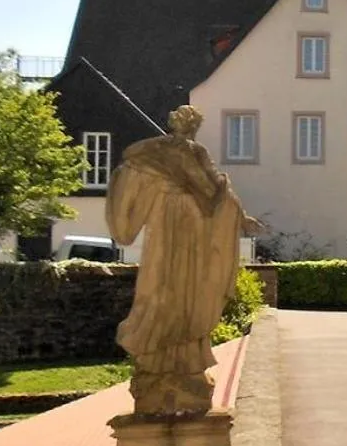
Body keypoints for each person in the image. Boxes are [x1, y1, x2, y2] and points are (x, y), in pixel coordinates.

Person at [106, 105, 258, 414]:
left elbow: (217, 189)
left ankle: (165, 365)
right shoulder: (191, 153)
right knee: (179, 292)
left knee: (166, 289)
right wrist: (241, 217)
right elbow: (218, 190)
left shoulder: (151, 154)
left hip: (170, 227)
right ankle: (175, 364)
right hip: (188, 228)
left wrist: (240, 216)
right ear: (191, 127)